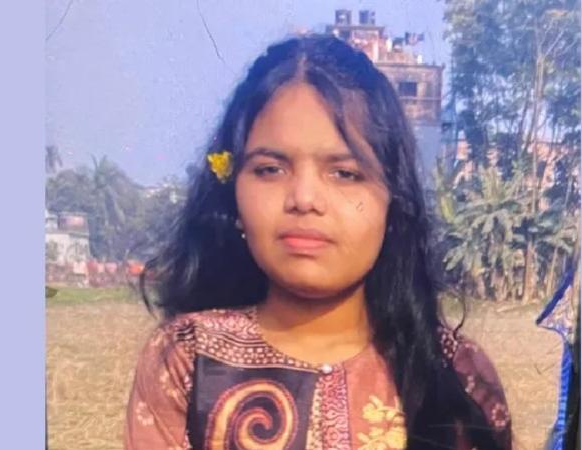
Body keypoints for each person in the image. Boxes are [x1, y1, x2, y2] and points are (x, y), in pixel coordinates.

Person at [124, 34, 511, 450]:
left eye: (345, 173)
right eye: (270, 169)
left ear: (393, 200)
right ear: (233, 192)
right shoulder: (188, 358)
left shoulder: (456, 373)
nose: (304, 198)